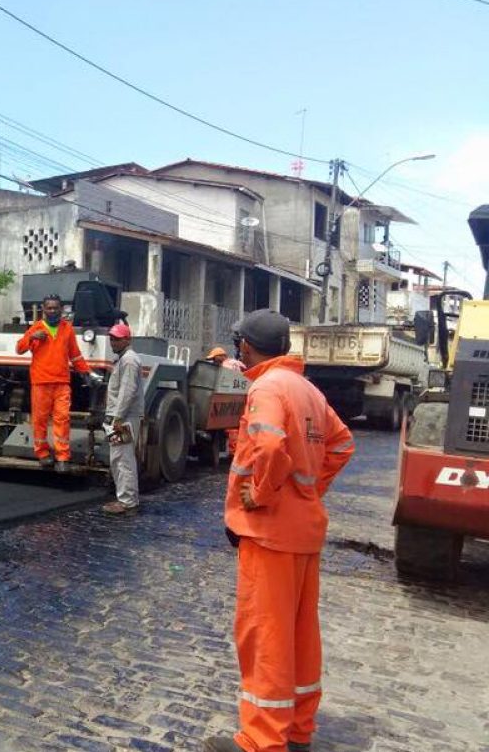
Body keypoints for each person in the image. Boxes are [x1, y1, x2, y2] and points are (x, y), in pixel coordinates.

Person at [204, 309, 354, 752]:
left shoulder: (266, 388)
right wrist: (308, 491)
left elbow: (270, 446)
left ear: (246, 347)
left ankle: (262, 739)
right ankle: (298, 730)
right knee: (300, 634)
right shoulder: (308, 389)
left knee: (264, 635)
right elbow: (343, 444)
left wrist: (263, 493)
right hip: (303, 532)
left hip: (269, 534)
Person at [15, 294, 93, 473]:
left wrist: (86, 372)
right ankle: (42, 454)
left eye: (55, 308)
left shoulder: (67, 329)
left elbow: (75, 355)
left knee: (62, 419)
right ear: (44, 309)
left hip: (61, 382)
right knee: (40, 420)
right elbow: (19, 349)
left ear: (61, 309)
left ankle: (62, 457)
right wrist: (31, 337)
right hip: (41, 382)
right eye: (49, 308)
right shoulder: (36, 328)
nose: (52, 311)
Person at [102, 323, 142, 516]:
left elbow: (127, 390)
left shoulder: (129, 360)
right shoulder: (124, 359)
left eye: (118, 339)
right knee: (119, 458)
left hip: (124, 419)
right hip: (121, 417)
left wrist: (118, 417)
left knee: (123, 459)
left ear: (128, 340)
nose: (113, 342)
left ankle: (128, 503)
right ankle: (125, 499)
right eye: (112, 339)